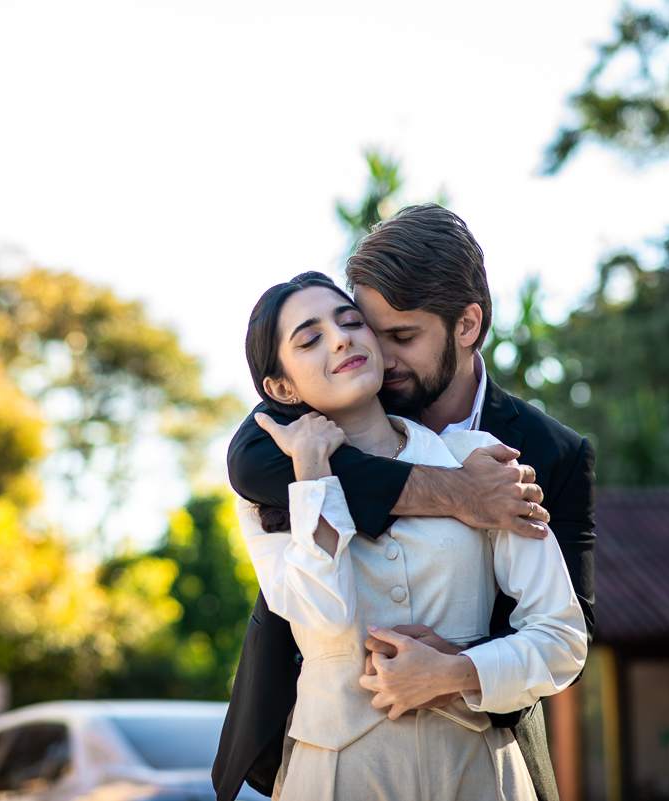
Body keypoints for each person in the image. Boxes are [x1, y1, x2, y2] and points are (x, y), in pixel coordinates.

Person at [212, 205, 596, 801]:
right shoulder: (273, 466)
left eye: (396, 336)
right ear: (282, 386)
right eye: (315, 336)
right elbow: (250, 467)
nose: (368, 351)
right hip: (333, 768)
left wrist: (459, 670)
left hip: (477, 761)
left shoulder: (503, 454)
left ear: (465, 327)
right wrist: (318, 474)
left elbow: (565, 630)